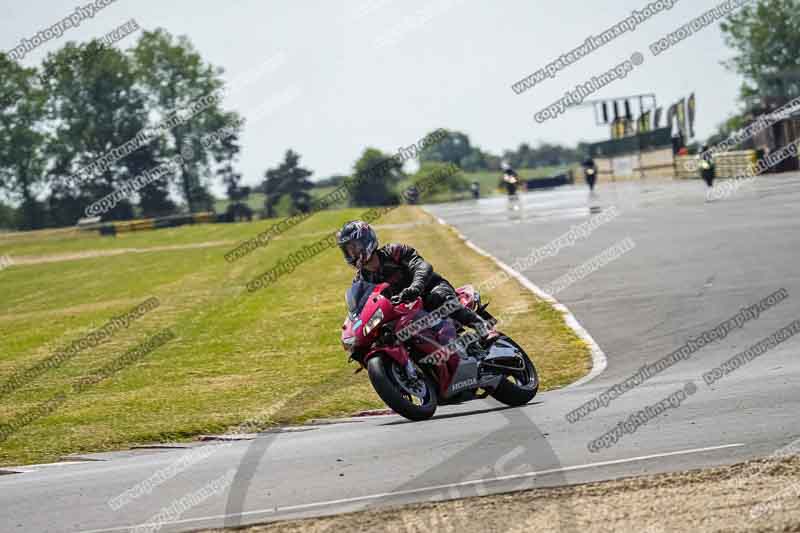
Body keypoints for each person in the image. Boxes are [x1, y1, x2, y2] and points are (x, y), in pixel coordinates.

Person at [336, 220, 495, 343]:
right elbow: (362, 309)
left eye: (354, 247)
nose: (352, 253)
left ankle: (484, 329)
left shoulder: (394, 252)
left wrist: (415, 287)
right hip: (404, 311)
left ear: (366, 241)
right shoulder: (360, 279)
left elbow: (422, 266)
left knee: (438, 297)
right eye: (347, 250)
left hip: (429, 289)